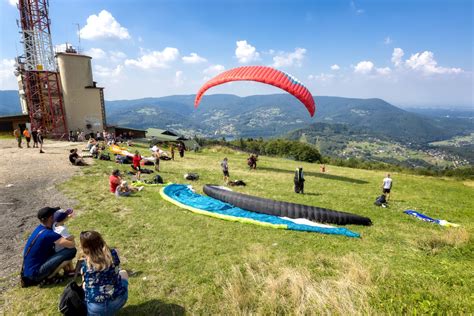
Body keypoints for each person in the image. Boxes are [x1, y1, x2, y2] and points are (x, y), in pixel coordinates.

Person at [21, 207, 76, 285]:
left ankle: (66, 271)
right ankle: (50, 277)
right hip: (35, 274)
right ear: (51, 218)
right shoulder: (49, 234)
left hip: (28, 272)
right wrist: (70, 237)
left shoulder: (39, 228)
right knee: (71, 250)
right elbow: (71, 245)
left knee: (59, 249)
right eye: (55, 215)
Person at [80, 231, 129, 315]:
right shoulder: (113, 253)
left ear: (84, 246)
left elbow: (85, 282)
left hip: (95, 308)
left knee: (84, 284)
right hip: (117, 300)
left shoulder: (84, 263)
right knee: (123, 273)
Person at [52, 208, 76, 275]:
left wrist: (68, 216)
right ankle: (71, 270)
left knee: (65, 260)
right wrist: (72, 236)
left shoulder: (55, 224)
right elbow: (68, 238)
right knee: (69, 257)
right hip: (62, 247)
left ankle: (67, 270)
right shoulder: (62, 229)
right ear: (64, 219)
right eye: (66, 216)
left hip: (57, 247)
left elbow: (61, 219)